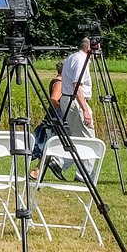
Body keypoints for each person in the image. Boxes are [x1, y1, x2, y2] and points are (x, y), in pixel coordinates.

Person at [29, 29, 99, 180]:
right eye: (95, 48)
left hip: (68, 100)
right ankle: (84, 175)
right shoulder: (81, 61)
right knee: (89, 139)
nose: (97, 52)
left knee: (75, 137)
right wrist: (85, 109)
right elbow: (76, 86)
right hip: (76, 100)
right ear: (88, 47)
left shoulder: (72, 58)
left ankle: (58, 160)